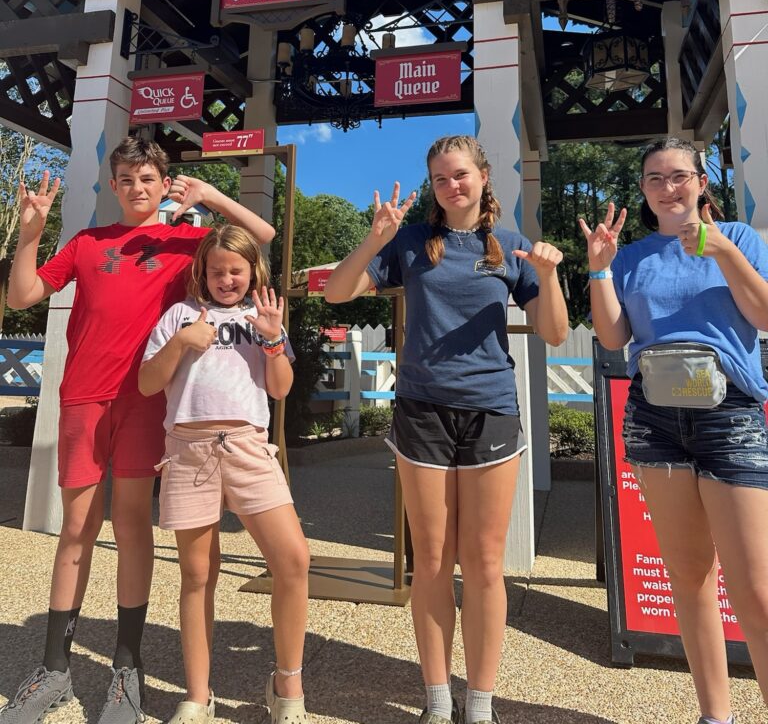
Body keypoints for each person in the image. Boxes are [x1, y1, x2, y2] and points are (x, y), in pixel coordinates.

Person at [0, 137, 275, 724]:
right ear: (114, 185)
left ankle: (127, 667)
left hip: (147, 401)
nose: (137, 188)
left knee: (131, 526)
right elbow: (22, 295)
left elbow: (261, 236)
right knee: (76, 528)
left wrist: (210, 194)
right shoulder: (87, 242)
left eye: (147, 178)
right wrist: (30, 234)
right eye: (126, 179)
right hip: (84, 397)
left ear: (163, 183)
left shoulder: (186, 243)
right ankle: (54, 668)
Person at [325, 135, 568, 724]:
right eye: (440, 178)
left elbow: (556, 333)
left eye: (460, 174)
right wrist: (375, 238)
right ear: (432, 187)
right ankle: (437, 698)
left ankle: (479, 703)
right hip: (422, 410)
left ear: (483, 177)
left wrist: (549, 274)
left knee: (483, 563)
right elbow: (336, 293)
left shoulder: (510, 248)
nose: (451, 185)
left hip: (490, 410)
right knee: (431, 560)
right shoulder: (410, 242)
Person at [579, 137, 768, 724]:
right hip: (654, 417)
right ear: (643, 189)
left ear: (702, 182)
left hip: (730, 414)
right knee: (689, 578)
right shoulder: (631, 256)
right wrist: (599, 269)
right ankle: (716, 716)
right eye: (655, 178)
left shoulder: (739, 237)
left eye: (679, 175)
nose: (668, 187)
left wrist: (719, 249)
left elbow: (763, 314)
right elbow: (613, 338)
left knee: (755, 590)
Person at [139, 225, 309, 724]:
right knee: (196, 575)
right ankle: (198, 695)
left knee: (293, 560)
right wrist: (182, 342)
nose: (226, 279)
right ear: (203, 271)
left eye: (236, 271)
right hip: (188, 451)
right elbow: (148, 383)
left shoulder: (263, 318)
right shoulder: (179, 316)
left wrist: (274, 339)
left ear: (253, 272)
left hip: (248, 447)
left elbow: (280, 389)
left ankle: (287, 685)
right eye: (217, 270)